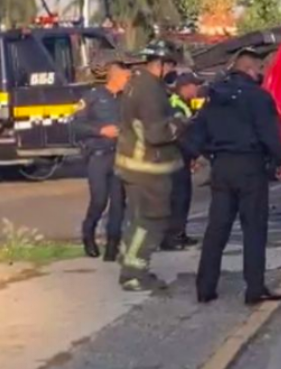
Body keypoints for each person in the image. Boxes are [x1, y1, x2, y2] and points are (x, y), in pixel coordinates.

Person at [192, 48, 281, 305]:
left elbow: (196, 134)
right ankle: (254, 289)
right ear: (250, 70)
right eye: (259, 70)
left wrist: (211, 154)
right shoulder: (258, 97)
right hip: (250, 167)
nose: (261, 75)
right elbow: (269, 134)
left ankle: (205, 288)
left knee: (216, 229)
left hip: (222, 167)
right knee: (254, 228)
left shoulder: (214, 97)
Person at [114, 40, 188, 292]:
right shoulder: (151, 91)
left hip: (132, 164)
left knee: (136, 218)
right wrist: (180, 122)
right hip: (148, 168)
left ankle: (128, 261)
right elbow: (157, 133)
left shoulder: (136, 83)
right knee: (152, 219)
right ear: (162, 64)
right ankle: (134, 273)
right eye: (171, 65)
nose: (172, 71)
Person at [72, 52, 133, 261]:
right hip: (98, 156)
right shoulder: (93, 96)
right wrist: (100, 130)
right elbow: (75, 125)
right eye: (126, 78)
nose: (128, 81)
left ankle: (112, 246)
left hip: (120, 156)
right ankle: (88, 235)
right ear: (115, 77)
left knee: (119, 203)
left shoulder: (126, 100)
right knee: (99, 200)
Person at [160, 72, 205, 251]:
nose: (197, 89)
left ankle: (180, 234)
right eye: (195, 85)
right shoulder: (175, 105)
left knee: (184, 198)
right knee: (176, 199)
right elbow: (179, 136)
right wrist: (196, 154)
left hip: (183, 157)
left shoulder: (185, 104)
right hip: (174, 158)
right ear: (185, 86)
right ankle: (170, 238)